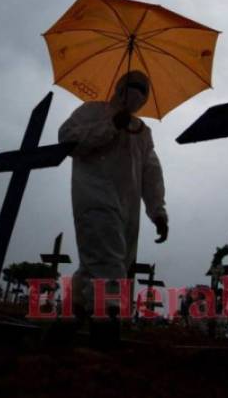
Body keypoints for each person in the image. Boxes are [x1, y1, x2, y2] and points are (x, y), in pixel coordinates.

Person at [58, 70, 168, 347]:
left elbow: (151, 173)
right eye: (133, 86)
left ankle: (62, 333)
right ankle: (104, 335)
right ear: (119, 87)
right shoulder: (92, 111)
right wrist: (110, 127)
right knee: (107, 263)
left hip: (127, 211)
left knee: (97, 268)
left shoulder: (143, 132)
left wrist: (158, 211)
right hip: (94, 198)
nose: (138, 94)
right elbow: (68, 140)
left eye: (143, 90)